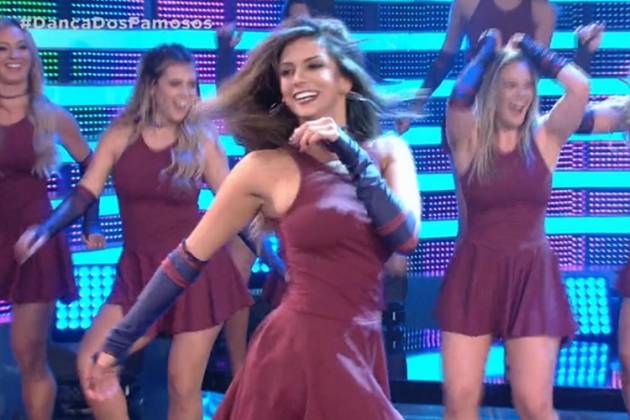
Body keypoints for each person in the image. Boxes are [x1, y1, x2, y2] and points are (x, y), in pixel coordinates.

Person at [83, 17, 421, 419]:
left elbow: (404, 237)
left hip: (361, 344)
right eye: (287, 72)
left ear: (345, 80)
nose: (297, 79)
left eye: (313, 65)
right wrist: (116, 345)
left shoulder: (388, 152)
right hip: (296, 349)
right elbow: (185, 261)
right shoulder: (263, 167)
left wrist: (350, 152)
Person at [15, 44, 253, 420]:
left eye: (192, 84)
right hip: (138, 275)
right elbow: (85, 193)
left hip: (195, 275)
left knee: (182, 386)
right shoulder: (121, 134)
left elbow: (232, 207)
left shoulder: (202, 141)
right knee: (94, 366)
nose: (186, 93)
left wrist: (280, 259)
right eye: (175, 84)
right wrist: (45, 230)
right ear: (152, 86)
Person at [435, 28, 589, 419]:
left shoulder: (545, 138)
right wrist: (487, 49)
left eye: (527, 86)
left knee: (533, 403)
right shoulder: (469, 140)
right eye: (510, 85)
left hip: (532, 275)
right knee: (460, 399)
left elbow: (579, 88)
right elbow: (458, 99)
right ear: (492, 90)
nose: (520, 96)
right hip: (475, 271)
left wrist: (532, 49)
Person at [0, 17, 103, 420]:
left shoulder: (51, 115)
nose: (13, 56)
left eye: (21, 47)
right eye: (2, 49)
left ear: (32, 55)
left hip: (34, 238)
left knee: (28, 353)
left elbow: (93, 167)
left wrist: (91, 223)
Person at [396, 0, 556, 134]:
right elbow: (444, 61)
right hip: (472, 112)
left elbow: (535, 72)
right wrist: (414, 107)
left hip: (514, 118)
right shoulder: (465, 4)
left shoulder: (542, 11)